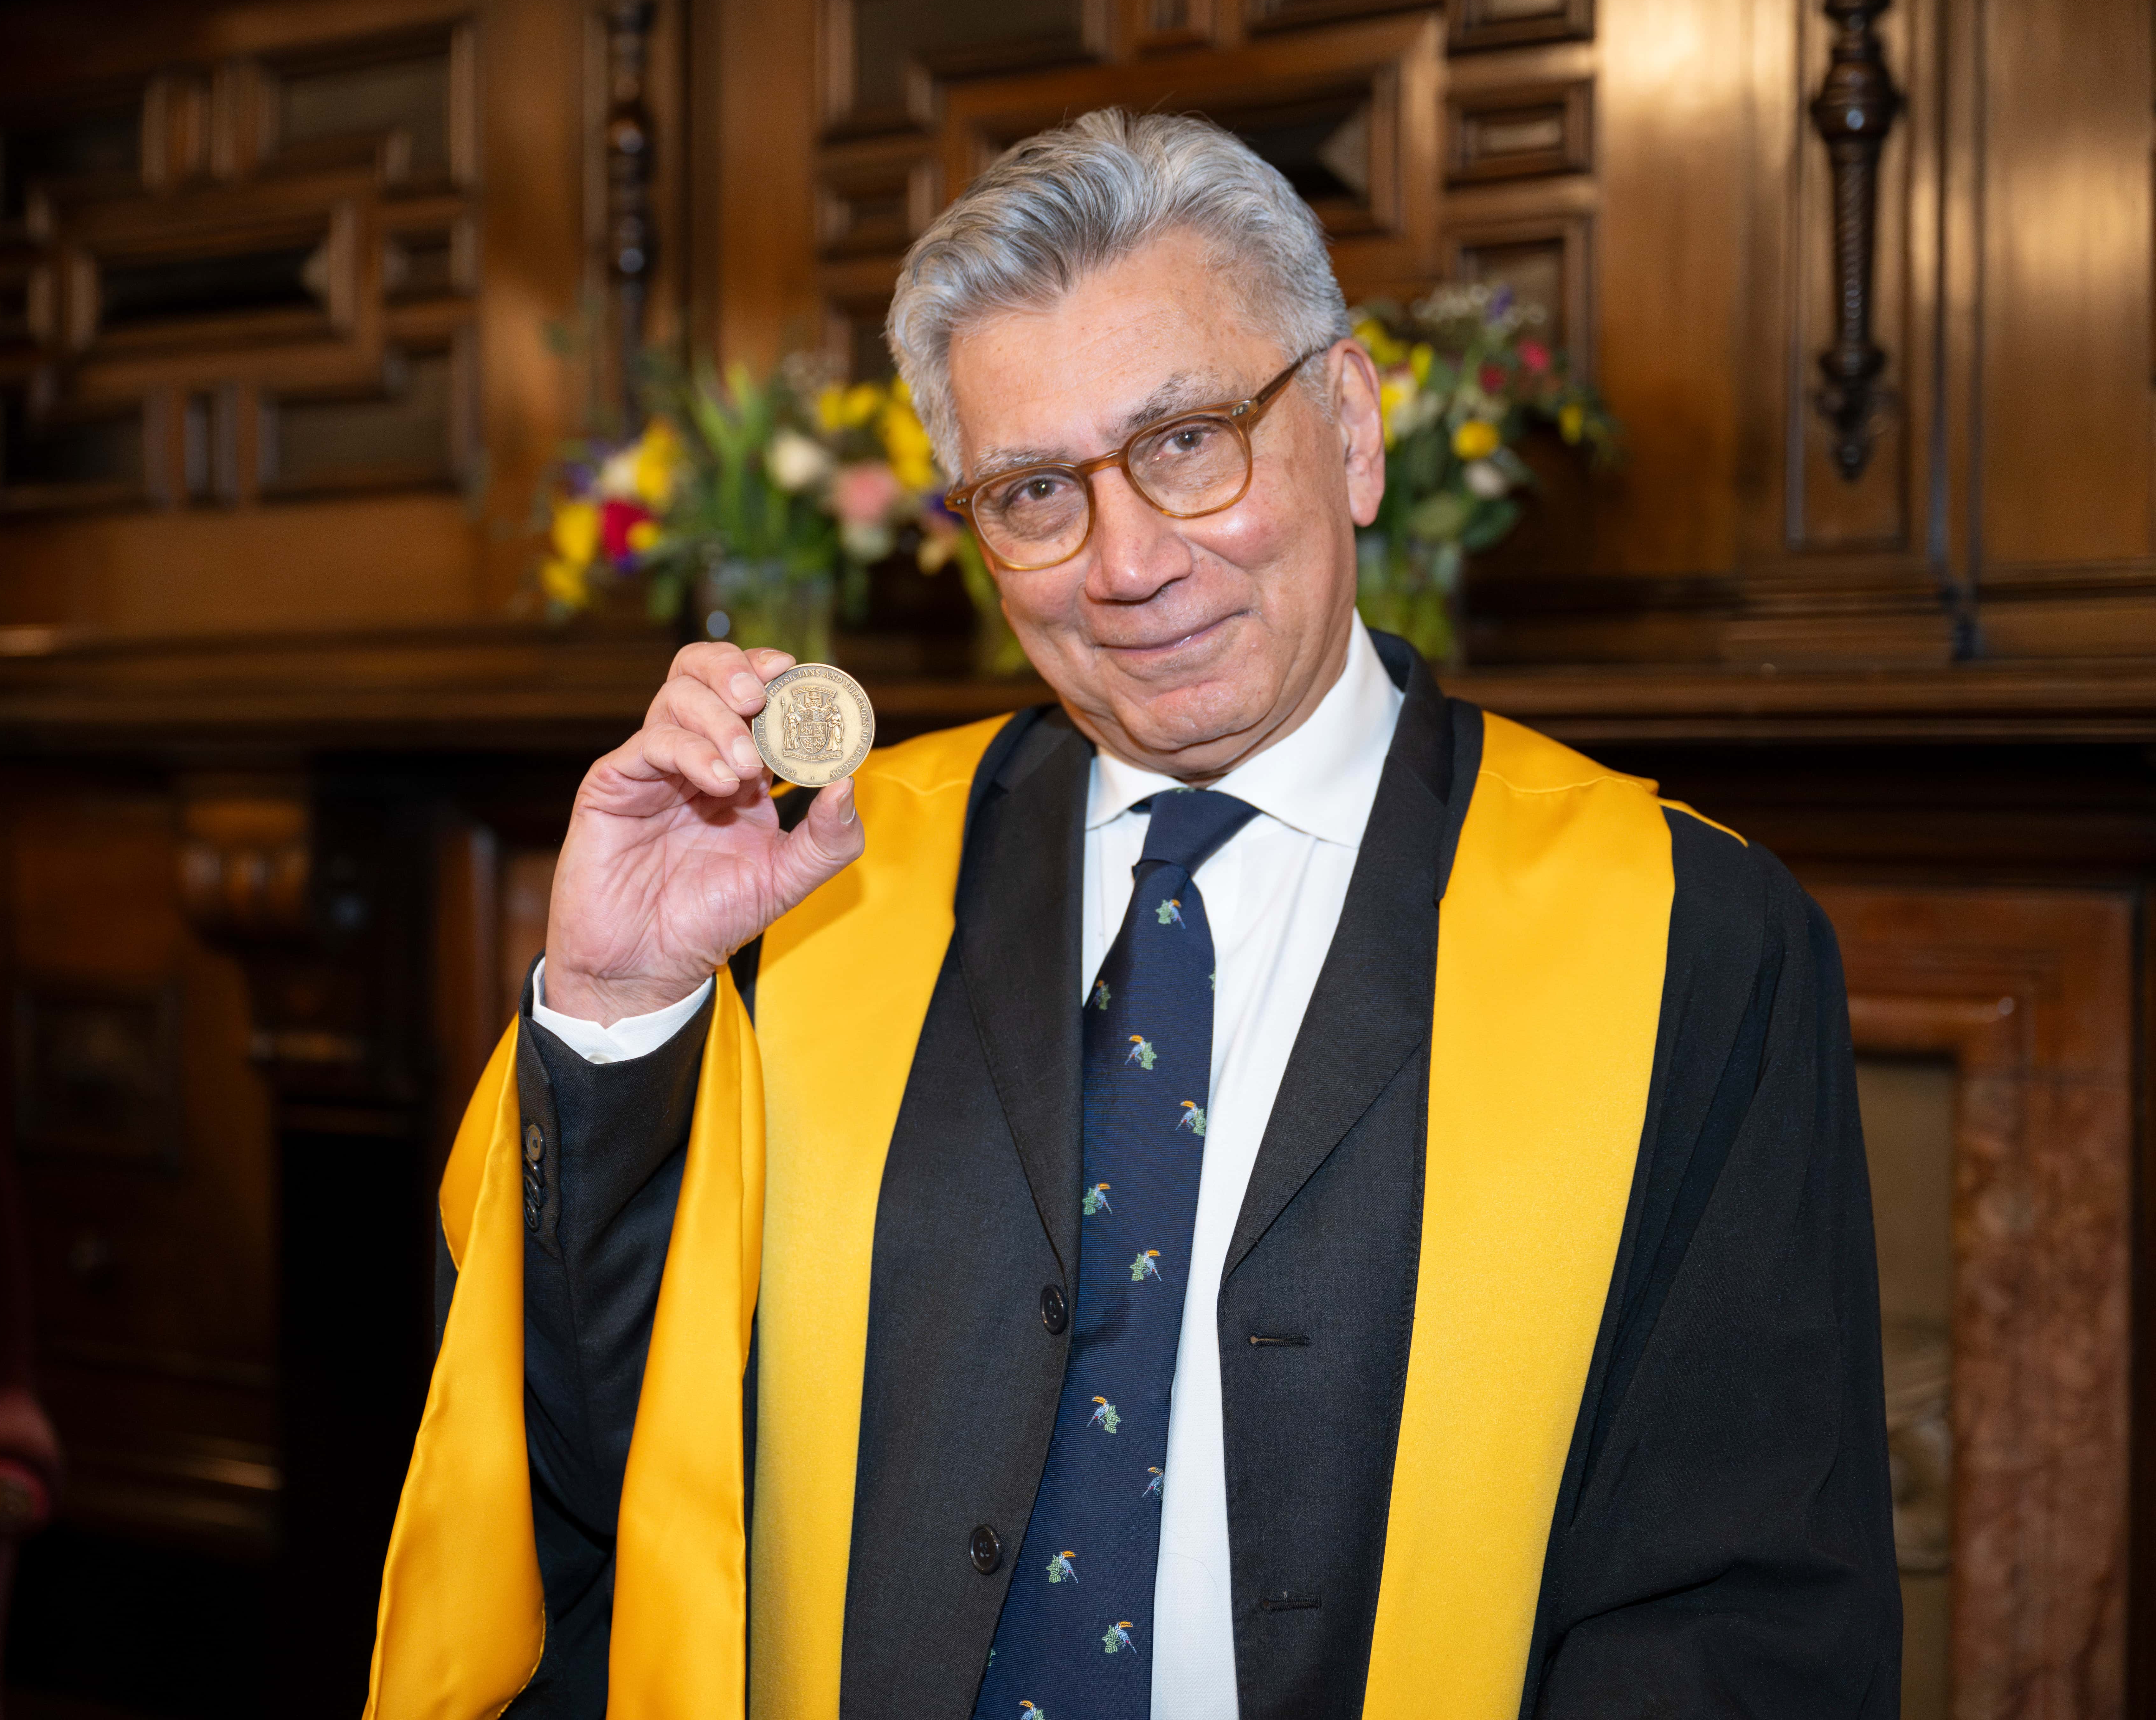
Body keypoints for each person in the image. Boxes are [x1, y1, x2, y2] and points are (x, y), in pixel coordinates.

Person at [366, 111, 1901, 1719]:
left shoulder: (1685, 935)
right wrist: (622, 1004)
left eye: (1187, 441)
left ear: (1355, 427)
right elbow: (615, 1461)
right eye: (1035, 491)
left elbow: (1740, 1613)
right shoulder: (819, 877)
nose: (1128, 562)